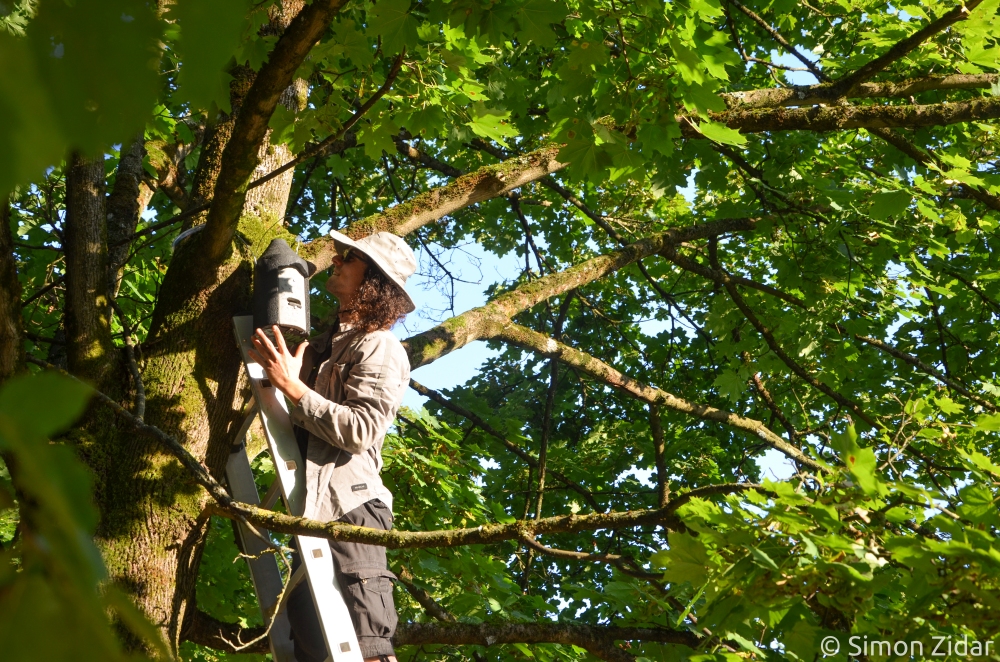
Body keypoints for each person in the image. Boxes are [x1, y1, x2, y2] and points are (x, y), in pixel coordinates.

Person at [248, 230, 416, 662]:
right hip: (310, 509)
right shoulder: (325, 345)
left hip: (350, 508)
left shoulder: (380, 346)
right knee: (311, 643)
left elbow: (360, 430)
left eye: (349, 259)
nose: (336, 261)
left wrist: (292, 386)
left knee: (368, 644)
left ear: (373, 280)